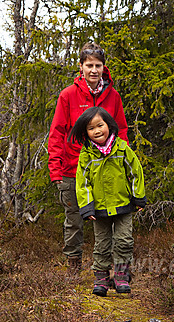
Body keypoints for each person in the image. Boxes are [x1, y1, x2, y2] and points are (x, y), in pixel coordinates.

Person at [48, 42, 129, 274]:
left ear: (104, 67)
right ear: (81, 67)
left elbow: (121, 130)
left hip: (106, 169)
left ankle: (106, 270)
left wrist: (122, 161)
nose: (94, 70)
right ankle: (73, 268)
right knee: (74, 221)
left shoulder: (113, 96)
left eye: (98, 65)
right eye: (89, 65)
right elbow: (57, 133)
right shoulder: (68, 95)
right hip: (72, 169)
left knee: (107, 221)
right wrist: (55, 169)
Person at [68, 107, 146, 296]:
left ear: (109, 125)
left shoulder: (122, 149)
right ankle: (101, 278)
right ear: (85, 133)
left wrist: (138, 198)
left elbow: (135, 173)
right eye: (91, 128)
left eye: (100, 125)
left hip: (123, 205)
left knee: (124, 241)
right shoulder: (87, 155)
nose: (97, 131)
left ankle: (121, 276)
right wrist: (87, 208)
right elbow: (83, 183)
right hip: (99, 210)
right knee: (102, 244)